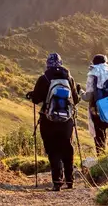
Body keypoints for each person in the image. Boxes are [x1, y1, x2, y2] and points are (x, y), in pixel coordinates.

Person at [25, 53, 80, 191]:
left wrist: (31, 94)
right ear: (61, 63)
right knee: (67, 147)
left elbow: (36, 99)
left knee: (53, 149)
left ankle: (57, 182)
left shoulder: (44, 78)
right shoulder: (69, 78)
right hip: (66, 120)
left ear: (47, 64)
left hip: (48, 120)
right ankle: (70, 181)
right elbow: (76, 99)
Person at [81, 54, 108, 155]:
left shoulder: (92, 75)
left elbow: (87, 97)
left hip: (97, 111)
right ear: (106, 62)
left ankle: (101, 158)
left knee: (100, 137)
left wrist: (80, 92)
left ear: (94, 63)